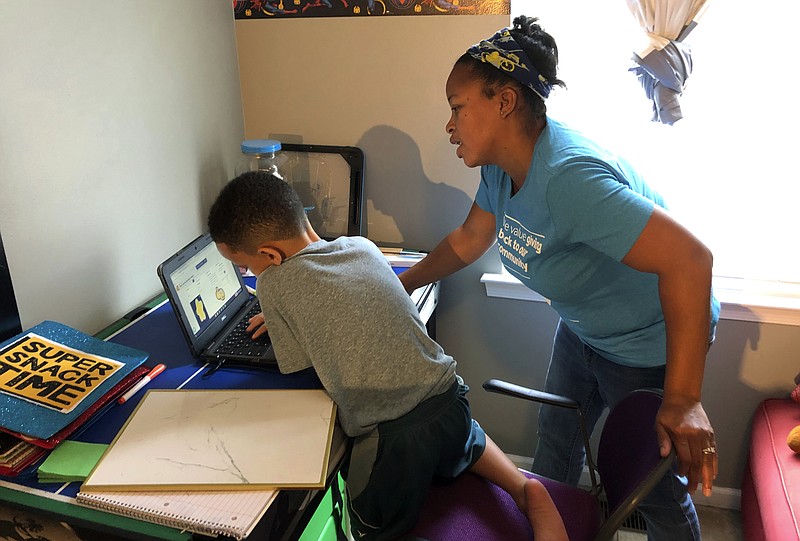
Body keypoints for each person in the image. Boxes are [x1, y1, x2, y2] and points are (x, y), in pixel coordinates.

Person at [397, 15, 720, 541]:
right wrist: (403, 283)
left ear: (504, 102)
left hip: (647, 345)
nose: (449, 125)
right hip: (585, 328)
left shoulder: (569, 178)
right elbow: (469, 240)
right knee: (555, 449)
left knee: (655, 492)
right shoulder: (500, 166)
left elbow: (691, 261)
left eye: (458, 108)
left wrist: (683, 397)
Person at [206, 171, 569, 541]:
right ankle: (522, 488)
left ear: (270, 254)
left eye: (247, 266)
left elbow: (301, 366)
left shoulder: (273, 284)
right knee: (462, 439)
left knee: (368, 525)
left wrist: (281, 310)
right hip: (451, 402)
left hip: (394, 443)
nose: (249, 274)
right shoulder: (361, 246)